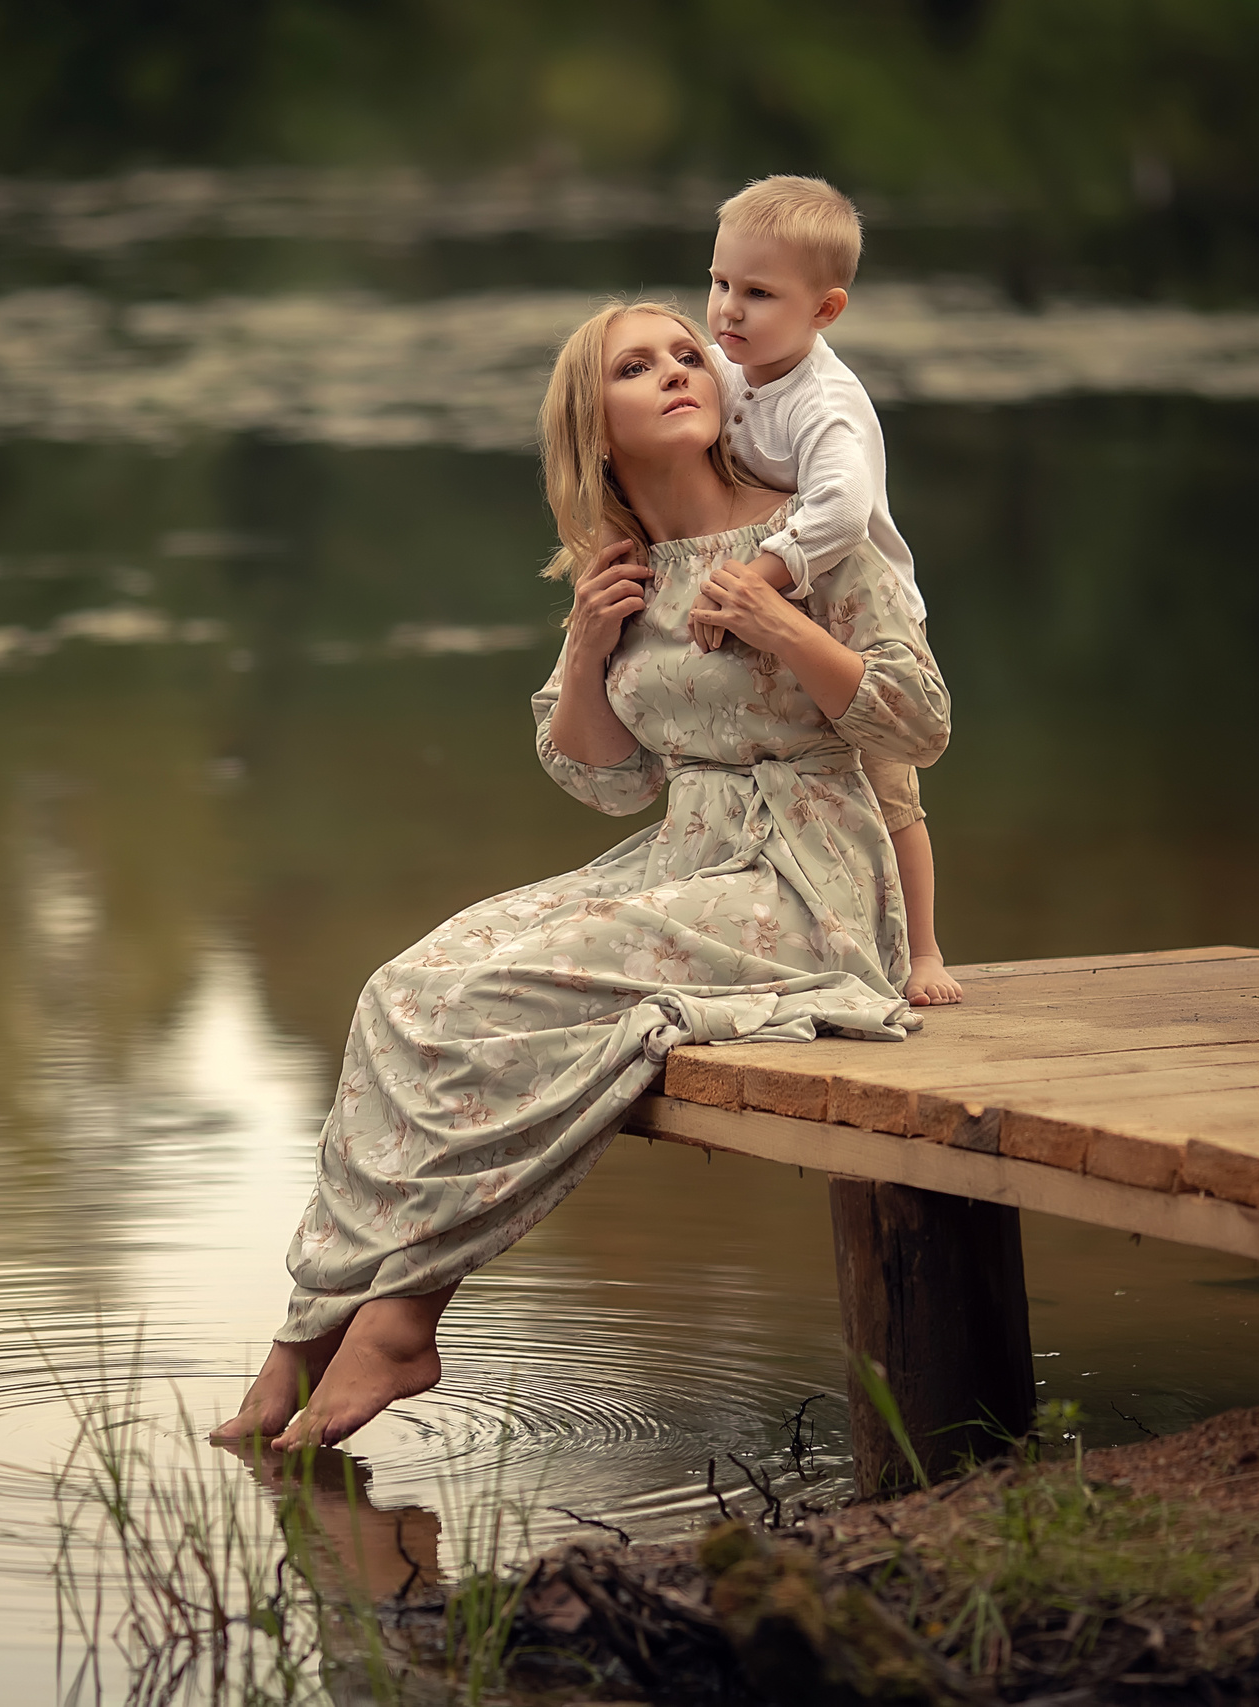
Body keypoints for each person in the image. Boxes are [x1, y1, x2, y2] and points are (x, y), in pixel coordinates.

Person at [210, 300, 951, 1452]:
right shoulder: (624, 571)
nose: (676, 371)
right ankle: (313, 1323)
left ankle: (404, 1318)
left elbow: (918, 724)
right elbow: (610, 782)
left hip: (809, 881)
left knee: (495, 998)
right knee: (407, 987)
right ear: (592, 429)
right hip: (683, 856)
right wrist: (586, 647)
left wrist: (779, 619)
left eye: (685, 353)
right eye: (634, 366)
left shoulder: (813, 538)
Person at [700, 174, 963, 1007]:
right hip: (781, 613)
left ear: (825, 311)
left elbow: (842, 511)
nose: (729, 311)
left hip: (859, 618)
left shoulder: (826, 405)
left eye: (759, 294)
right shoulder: (729, 368)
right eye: (719, 283)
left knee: (889, 789)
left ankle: (922, 949)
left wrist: (763, 574)